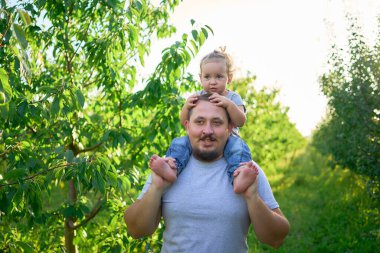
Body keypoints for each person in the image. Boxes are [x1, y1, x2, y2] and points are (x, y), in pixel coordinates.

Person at [124, 95, 290, 252]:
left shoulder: (246, 170)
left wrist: (253, 197)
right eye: (200, 122)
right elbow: (135, 229)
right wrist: (156, 188)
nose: (208, 130)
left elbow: (276, 239)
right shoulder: (168, 166)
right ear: (188, 126)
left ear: (229, 128)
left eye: (217, 123)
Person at [150, 48, 254, 193]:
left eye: (218, 77)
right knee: (180, 143)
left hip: (228, 138)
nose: (212, 82)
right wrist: (186, 106)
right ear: (200, 78)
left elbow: (240, 121)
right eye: (207, 77)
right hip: (201, 139)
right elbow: (183, 121)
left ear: (228, 78)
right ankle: (172, 167)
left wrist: (228, 104)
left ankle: (239, 176)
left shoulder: (233, 97)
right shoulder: (198, 96)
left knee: (239, 149)